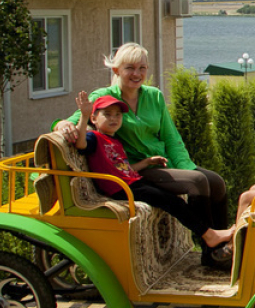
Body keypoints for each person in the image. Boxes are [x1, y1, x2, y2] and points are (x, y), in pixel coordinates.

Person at [54, 43, 232, 269]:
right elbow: (75, 119)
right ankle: (211, 251)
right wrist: (61, 124)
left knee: (215, 181)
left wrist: (187, 166)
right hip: (134, 168)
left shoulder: (154, 96)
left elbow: (170, 136)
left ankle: (222, 249)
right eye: (130, 68)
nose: (136, 74)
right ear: (116, 70)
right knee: (197, 183)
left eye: (142, 68)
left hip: (158, 162)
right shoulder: (104, 96)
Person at [73, 92, 234, 264]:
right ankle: (210, 236)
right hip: (121, 189)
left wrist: (147, 162)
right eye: (107, 114)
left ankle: (212, 238)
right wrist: (83, 116)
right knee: (174, 202)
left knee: (176, 199)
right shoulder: (94, 138)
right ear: (94, 118)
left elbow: (125, 169)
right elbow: (81, 144)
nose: (114, 119)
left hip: (131, 182)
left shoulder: (115, 142)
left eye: (118, 115)